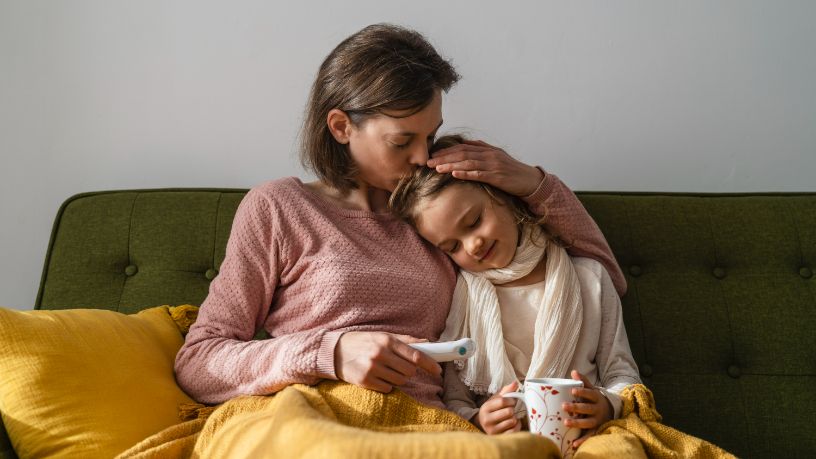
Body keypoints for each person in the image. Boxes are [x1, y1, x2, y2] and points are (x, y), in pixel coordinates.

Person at [174, 23, 627, 413]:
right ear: (341, 127)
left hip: (431, 427)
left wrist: (529, 181)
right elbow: (200, 362)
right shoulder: (279, 207)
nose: (422, 157)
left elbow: (597, 272)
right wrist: (330, 352)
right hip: (316, 416)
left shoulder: (439, 221)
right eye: (402, 141)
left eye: (430, 136)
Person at [388, 135, 640, 448]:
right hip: (507, 445)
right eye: (452, 246)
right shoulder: (461, 296)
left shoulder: (590, 277)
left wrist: (605, 406)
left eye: (475, 221)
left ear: (504, 196)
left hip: (587, 438)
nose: (473, 244)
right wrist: (480, 419)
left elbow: (622, 372)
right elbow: (455, 398)